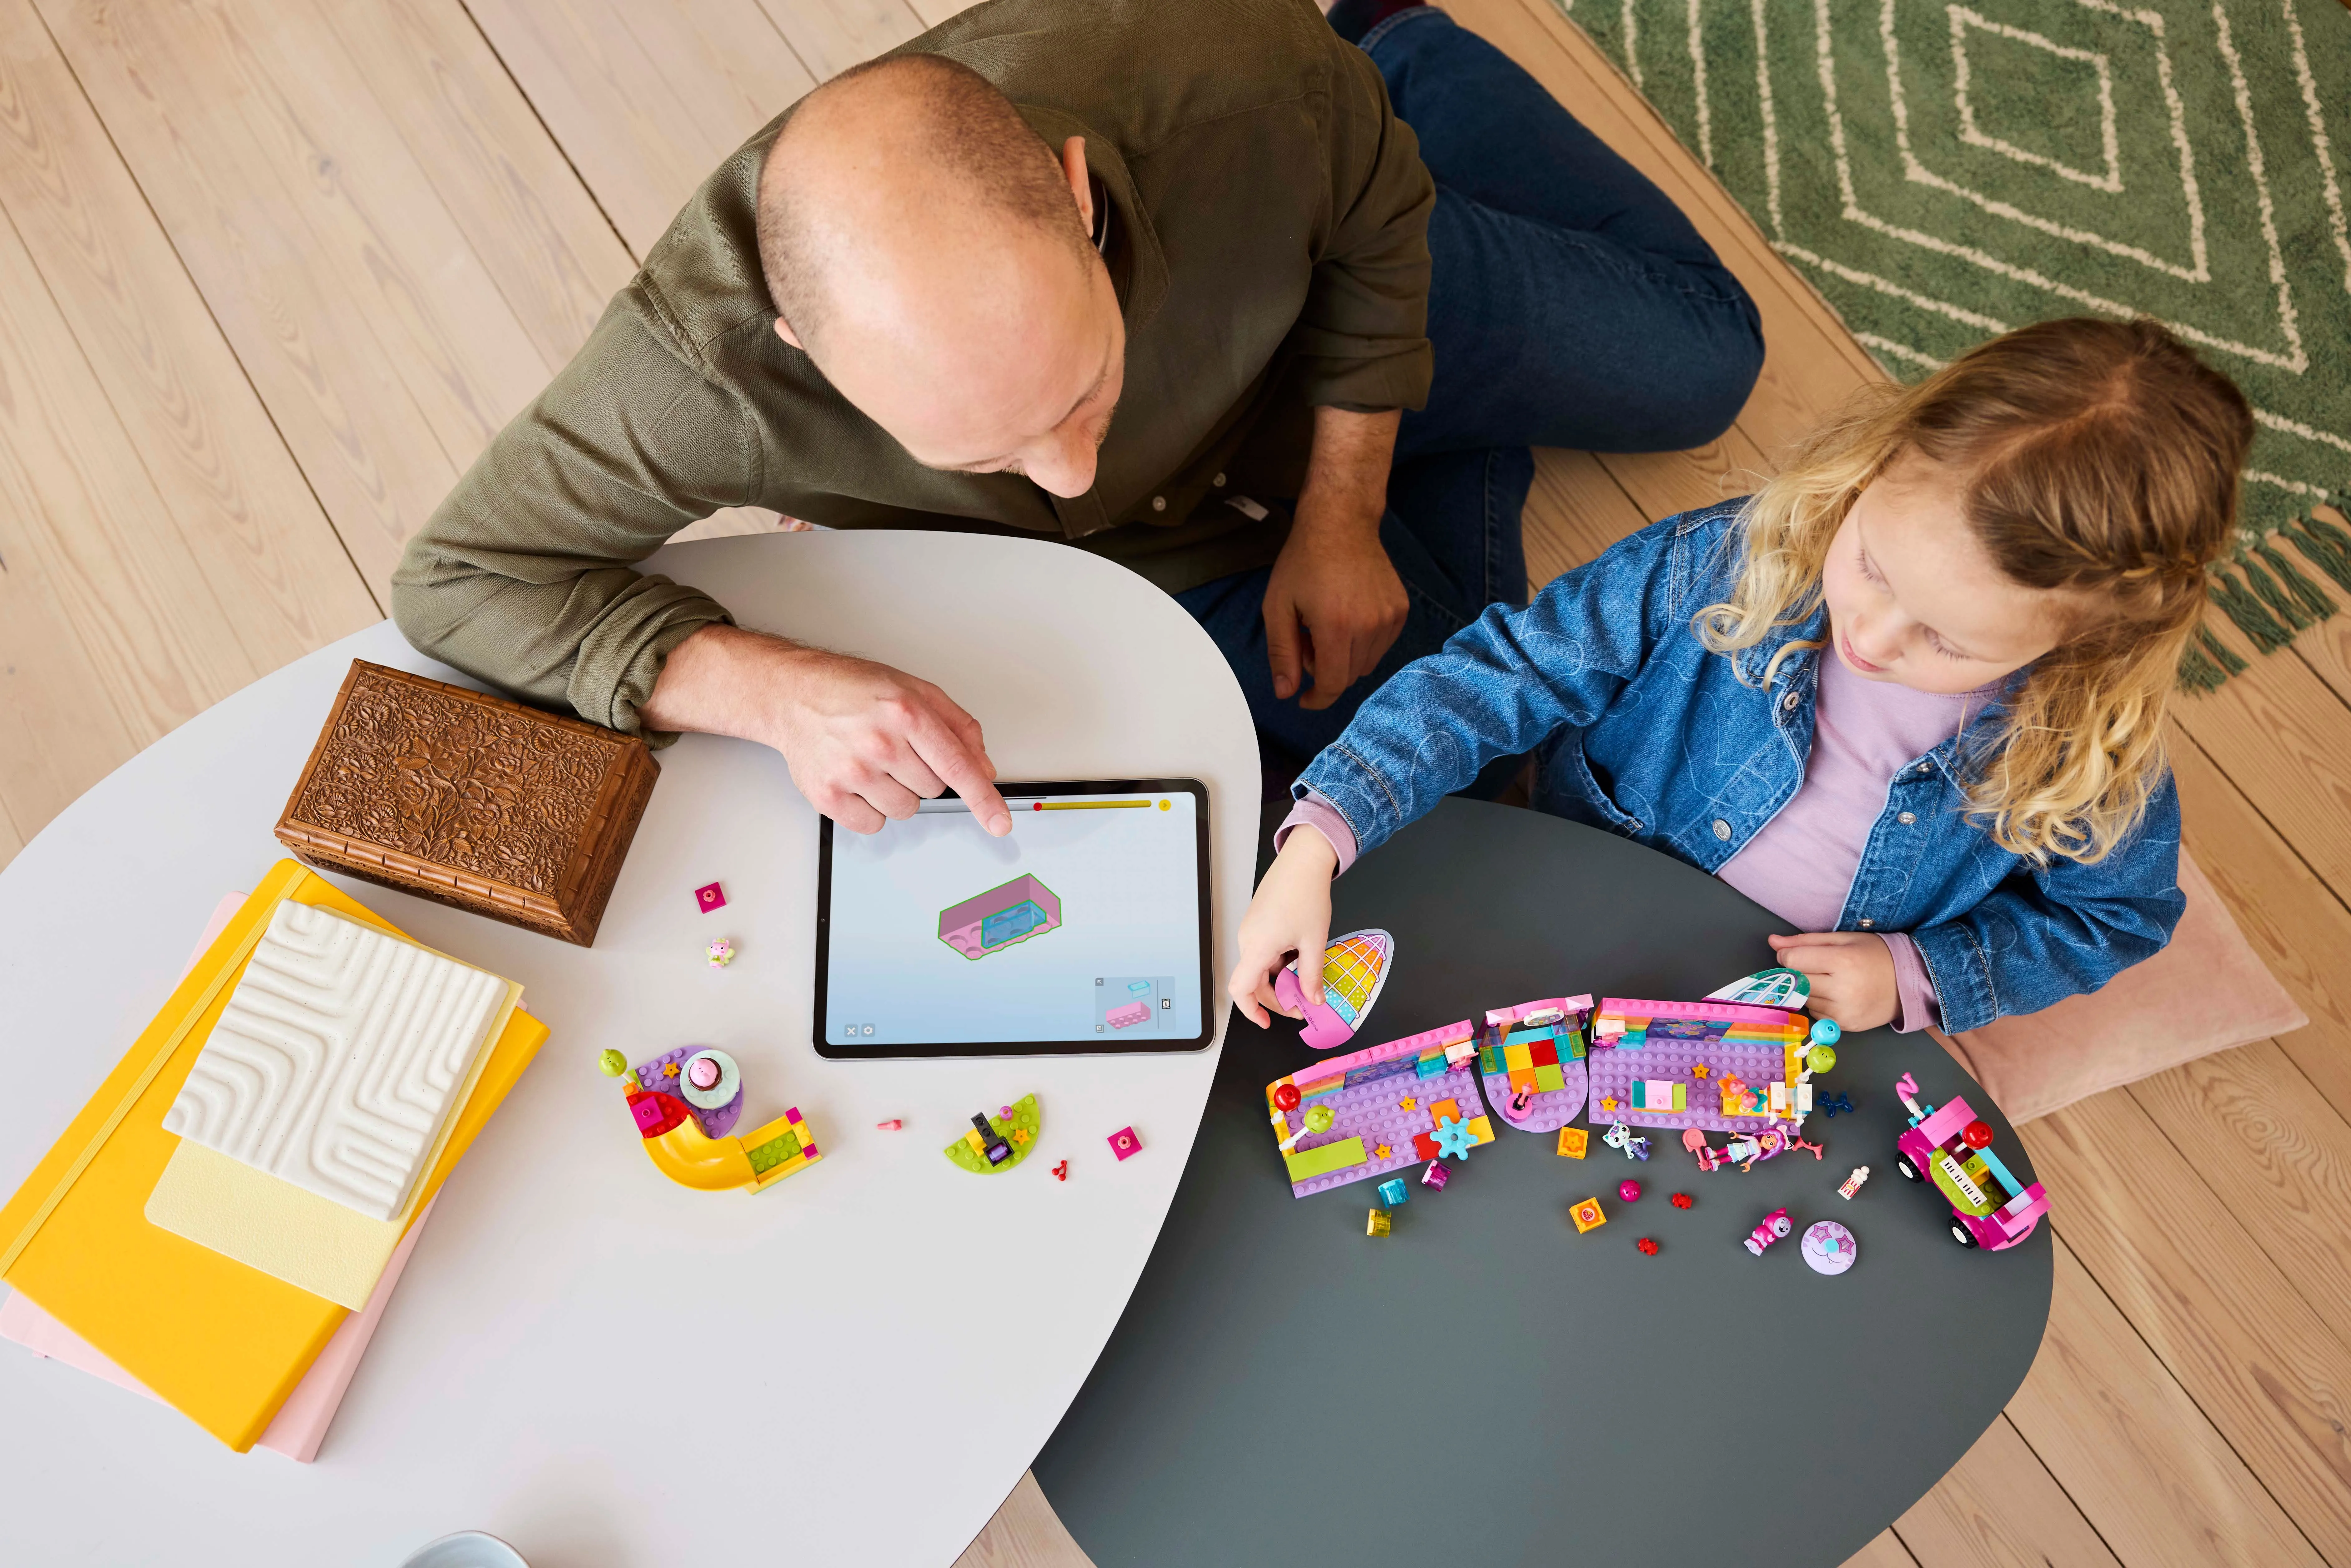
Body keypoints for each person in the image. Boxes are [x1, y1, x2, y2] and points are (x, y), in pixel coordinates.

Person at [390, 0, 1762, 837]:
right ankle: (1453, 437)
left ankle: (1403, 45)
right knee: (1443, 780)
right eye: (988, 456)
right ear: (802, 351)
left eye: (1083, 389)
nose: (1072, 469)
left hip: (1311, 303)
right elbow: (454, 578)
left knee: (1708, 364)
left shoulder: (1237, 64)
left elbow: (1375, 222)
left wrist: (1342, 506)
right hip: (1164, 555)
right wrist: (770, 686)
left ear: (1076, 192)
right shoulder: (697, 374)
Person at [1230, 318, 2254, 1035]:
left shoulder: (2092, 763)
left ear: (2087, 645)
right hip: (1574, 875)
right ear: (1881, 461)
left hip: (1784, 1007)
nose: (1875, 636)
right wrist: (1320, 838)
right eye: (1870, 565)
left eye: (1949, 643)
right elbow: (1505, 672)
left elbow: (2114, 916)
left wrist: (1917, 975)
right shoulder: (1723, 561)